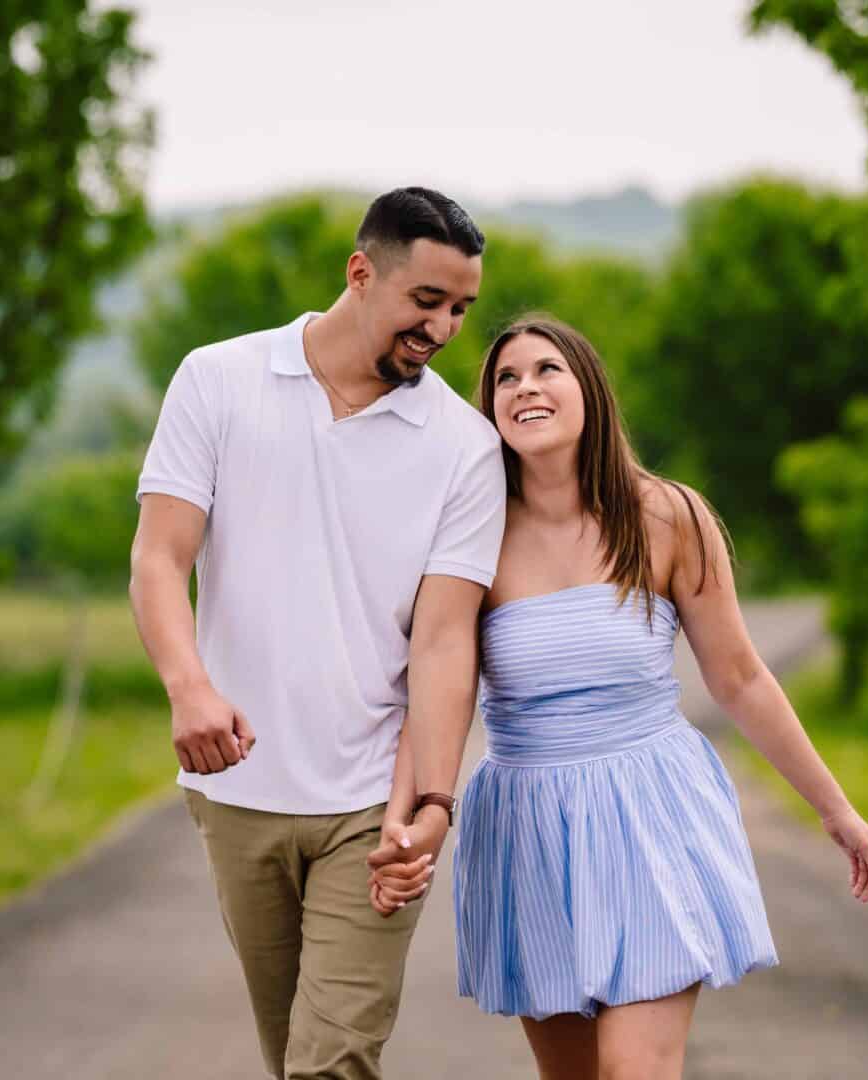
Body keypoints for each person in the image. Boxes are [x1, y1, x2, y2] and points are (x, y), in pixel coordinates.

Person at [371, 315, 868, 1080]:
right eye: (506, 380)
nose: (526, 388)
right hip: (527, 829)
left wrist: (835, 808)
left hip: (650, 810)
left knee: (633, 1070)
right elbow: (437, 685)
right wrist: (412, 814)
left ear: (589, 390)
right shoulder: (469, 535)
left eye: (547, 369)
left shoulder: (666, 517)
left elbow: (740, 678)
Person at [128, 187, 506, 1080]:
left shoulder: (464, 446)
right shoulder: (218, 379)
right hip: (235, 792)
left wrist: (435, 803)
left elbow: (446, 644)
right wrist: (189, 688)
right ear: (361, 272)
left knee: (331, 1062)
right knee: (290, 1052)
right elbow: (157, 560)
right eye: (426, 301)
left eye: (461, 309)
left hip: (373, 803)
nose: (445, 329)